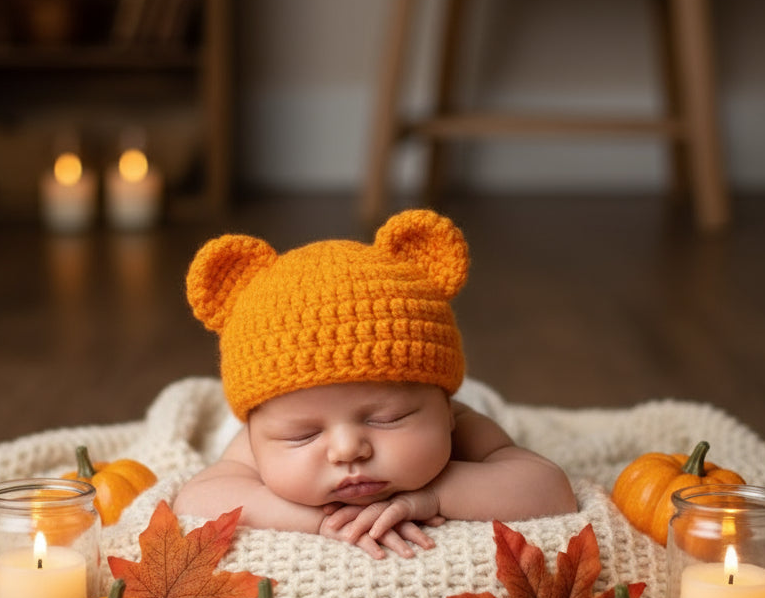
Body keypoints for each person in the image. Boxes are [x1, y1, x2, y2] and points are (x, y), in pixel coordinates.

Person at [173, 209, 577, 558]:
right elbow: (197, 498)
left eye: (388, 419)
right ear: (255, 431)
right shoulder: (258, 435)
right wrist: (315, 519)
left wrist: (434, 496)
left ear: (445, 408)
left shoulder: (463, 422)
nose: (348, 450)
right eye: (303, 436)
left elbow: (550, 487)